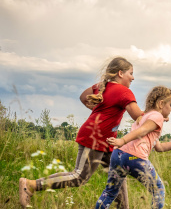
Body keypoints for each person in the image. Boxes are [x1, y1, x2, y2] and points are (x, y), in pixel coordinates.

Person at [19, 56, 144, 209]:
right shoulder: (124, 92)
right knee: (79, 176)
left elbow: (83, 97)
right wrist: (157, 116)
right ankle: (31, 185)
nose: (133, 77)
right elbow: (138, 116)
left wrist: (99, 111)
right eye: (131, 73)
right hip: (94, 138)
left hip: (107, 141)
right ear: (120, 73)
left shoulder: (101, 86)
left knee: (118, 175)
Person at [95, 86, 171, 209]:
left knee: (110, 192)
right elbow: (142, 131)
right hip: (135, 157)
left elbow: (159, 147)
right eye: (170, 105)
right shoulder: (156, 117)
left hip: (118, 155)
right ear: (161, 104)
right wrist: (122, 140)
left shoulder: (144, 117)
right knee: (158, 190)